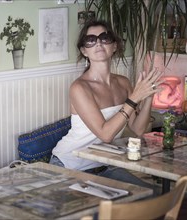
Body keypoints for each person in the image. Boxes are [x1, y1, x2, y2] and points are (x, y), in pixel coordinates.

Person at [49, 20, 164, 189]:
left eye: (104, 38)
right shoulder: (80, 87)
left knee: (154, 195)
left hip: (103, 166)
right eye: (91, 40)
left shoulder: (123, 83)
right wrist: (134, 98)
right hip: (69, 165)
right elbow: (106, 135)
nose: (98, 43)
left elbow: (138, 129)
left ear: (114, 46)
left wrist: (147, 97)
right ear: (84, 51)